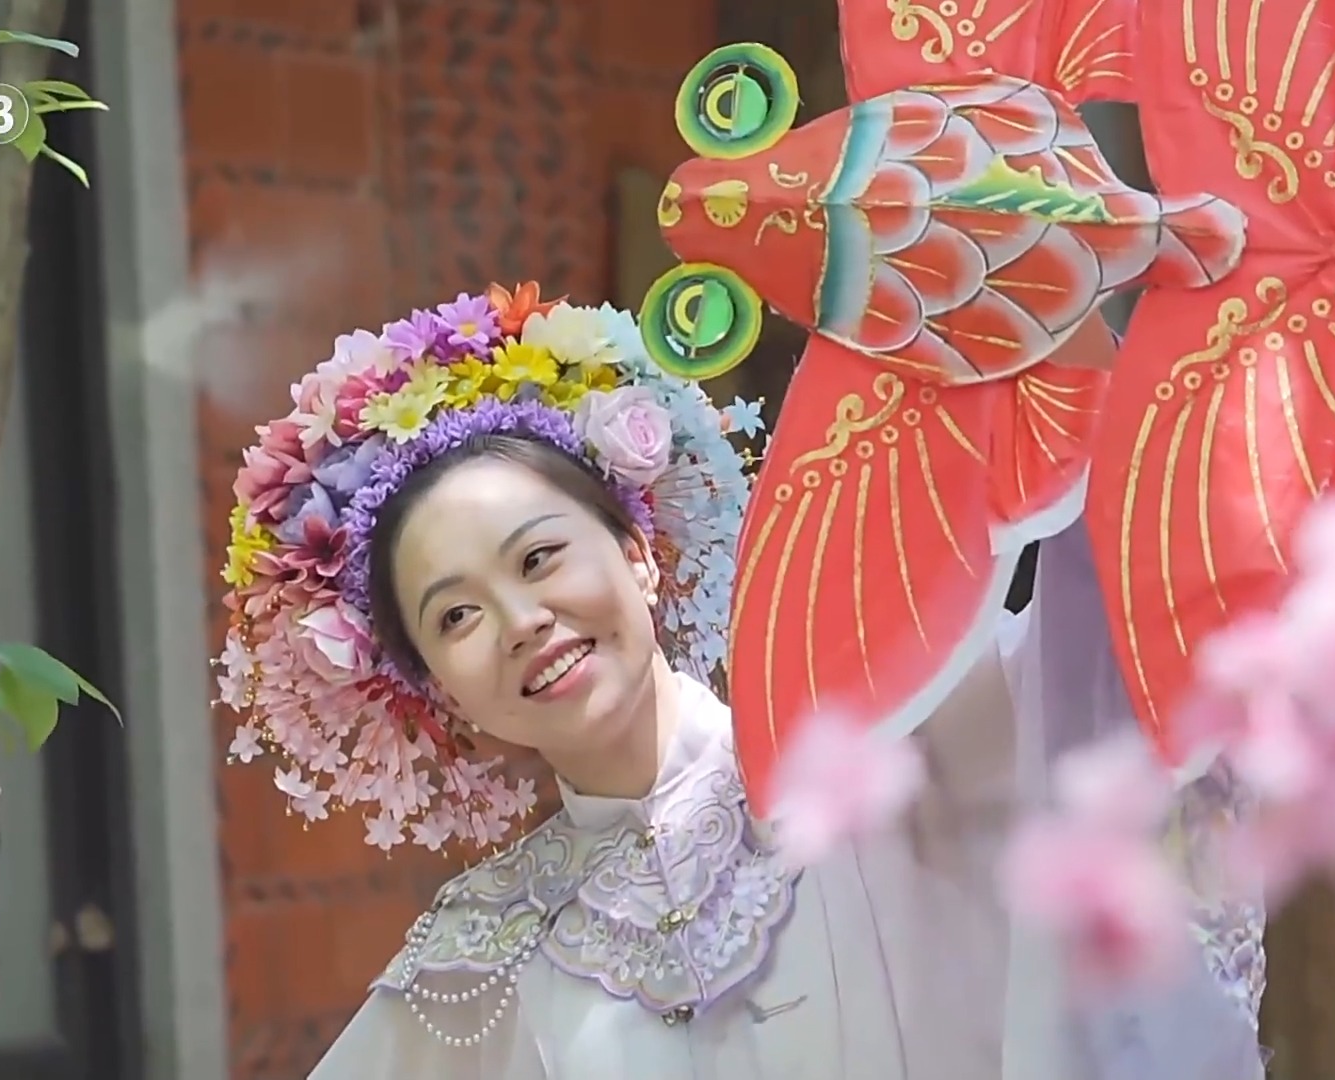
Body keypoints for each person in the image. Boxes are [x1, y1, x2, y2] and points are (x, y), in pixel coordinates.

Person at [215, 285, 1264, 1078]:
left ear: (638, 551)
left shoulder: (876, 748)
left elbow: (1110, 654)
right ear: (436, 689)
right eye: (455, 616)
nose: (521, 621)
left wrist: (1056, 309)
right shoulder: (481, 953)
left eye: (539, 557)